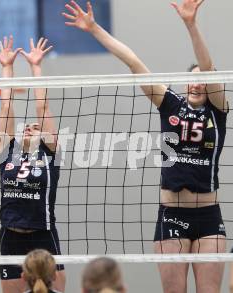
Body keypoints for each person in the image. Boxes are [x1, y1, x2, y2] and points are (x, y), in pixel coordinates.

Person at [63, 1, 228, 292]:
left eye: (203, 79)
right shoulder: (170, 104)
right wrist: (94, 28)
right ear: (184, 84)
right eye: (192, 80)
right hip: (172, 213)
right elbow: (133, 62)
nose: (198, 84)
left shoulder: (217, 110)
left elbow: (210, 69)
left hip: (209, 216)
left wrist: (190, 24)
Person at [0, 35, 66, 293]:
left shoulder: (50, 154)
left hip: (42, 235)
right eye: (27, 127)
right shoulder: (6, 151)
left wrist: (36, 67)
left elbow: (43, 107)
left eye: (36, 128)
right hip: (10, 236)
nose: (30, 128)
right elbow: (6, 107)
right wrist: (6, 67)